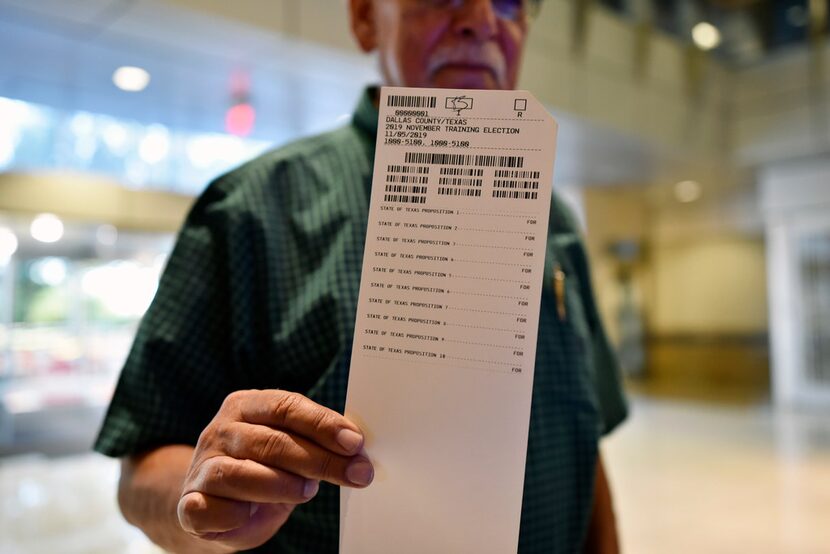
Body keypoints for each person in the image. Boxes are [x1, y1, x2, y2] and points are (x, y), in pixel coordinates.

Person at [94, 0, 628, 552]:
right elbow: (141, 471)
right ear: (364, 18)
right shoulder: (250, 211)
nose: (481, 20)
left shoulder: (554, 220)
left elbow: (586, 448)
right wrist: (206, 499)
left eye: (512, 2)